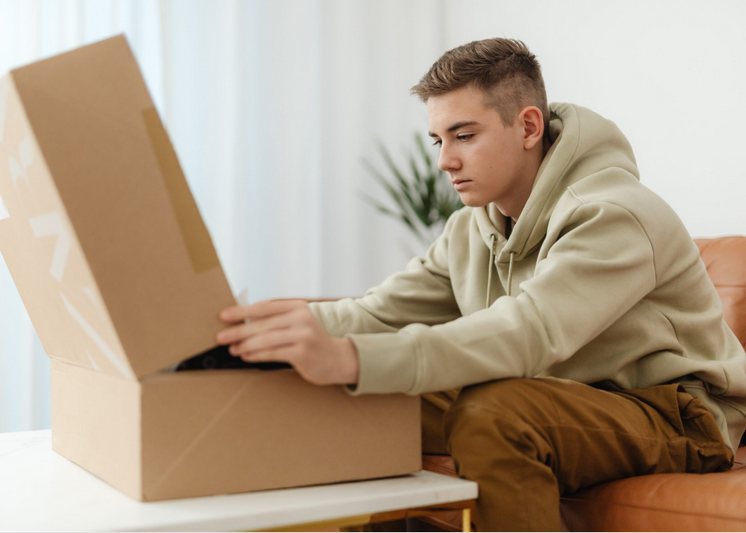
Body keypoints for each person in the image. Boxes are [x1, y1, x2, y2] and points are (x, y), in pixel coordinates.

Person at [215, 38, 746, 531]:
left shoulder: (614, 214)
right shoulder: (474, 226)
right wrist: (251, 338)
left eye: (465, 136)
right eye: (439, 139)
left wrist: (353, 358)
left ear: (528, 127)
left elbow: (528, 331)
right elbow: (377, 313)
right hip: (557, 395)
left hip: (674, 414)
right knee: (349, 401)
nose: (445, 160)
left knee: (491, 413)